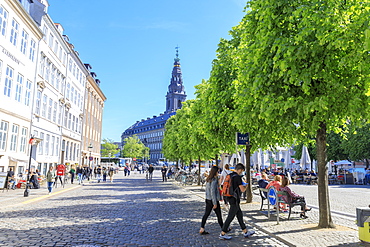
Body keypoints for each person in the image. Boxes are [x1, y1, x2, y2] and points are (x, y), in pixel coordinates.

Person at [219, 163, 255, 240]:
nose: (241, 173)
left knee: (239, 215)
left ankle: (245, 231)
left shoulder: (230, 175)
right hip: (234, 199)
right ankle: (223, 233)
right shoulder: (238, 177)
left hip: (229, 197)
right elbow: (242, 189)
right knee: (230, 217)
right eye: (242, 171)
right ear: (240, 170)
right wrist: (246, 186)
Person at [199, 166, 224, 235]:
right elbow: (213, 191)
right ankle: (224, 229)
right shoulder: (214, 180)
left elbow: (209, 190)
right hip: (213, 200)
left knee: (206, 214)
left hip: (208, 199)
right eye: (218, 171)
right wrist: (215, 203)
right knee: (219, 215)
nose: (218, 173)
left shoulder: (208, 179)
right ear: (215, 172)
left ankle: (202, 228)